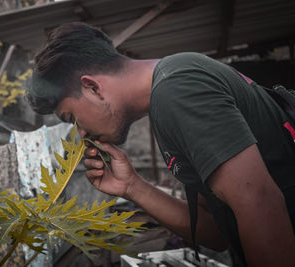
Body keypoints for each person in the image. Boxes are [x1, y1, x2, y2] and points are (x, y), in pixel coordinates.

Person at [27, 22, 295, 267]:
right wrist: (132, 186)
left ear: (92, 87)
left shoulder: (177, 90)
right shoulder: (171, 91)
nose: (82, 133)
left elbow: (259, 202)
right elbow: (218, 232)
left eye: (72, 118)